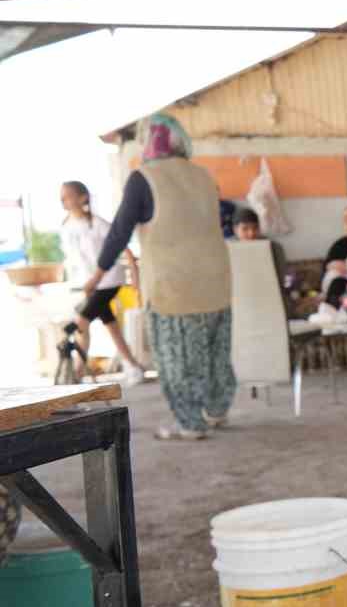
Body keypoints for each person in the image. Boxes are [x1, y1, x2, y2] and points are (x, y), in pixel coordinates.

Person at [86, 114, 236, 441]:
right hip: (216, 279)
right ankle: (217, 410)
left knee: (177, 357)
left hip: (173, 285)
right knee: (214, 351)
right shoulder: (202, 176)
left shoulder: (144, 178)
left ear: (148, 140)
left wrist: (98, 274)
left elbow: (120, 232)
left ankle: (190, 423)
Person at [59, 180, 148, 385]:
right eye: (62, 196)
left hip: (108, 280)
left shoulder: (98, 224)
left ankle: (77, 376)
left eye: (68, 195)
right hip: (88, 285)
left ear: (83, 198)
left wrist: (134, 275)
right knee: (111, 326)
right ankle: (133, 366)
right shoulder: (66, 227)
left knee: (80, 323)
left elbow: (123, 246)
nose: (64, 200)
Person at [233, 207, 289, 305]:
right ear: (235, 230)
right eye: (245, 229)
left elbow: (281, 278)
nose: (251, 233)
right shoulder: (228, 250)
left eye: (255, 228)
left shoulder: (274, 248)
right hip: (239, 298)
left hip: (269, 296)